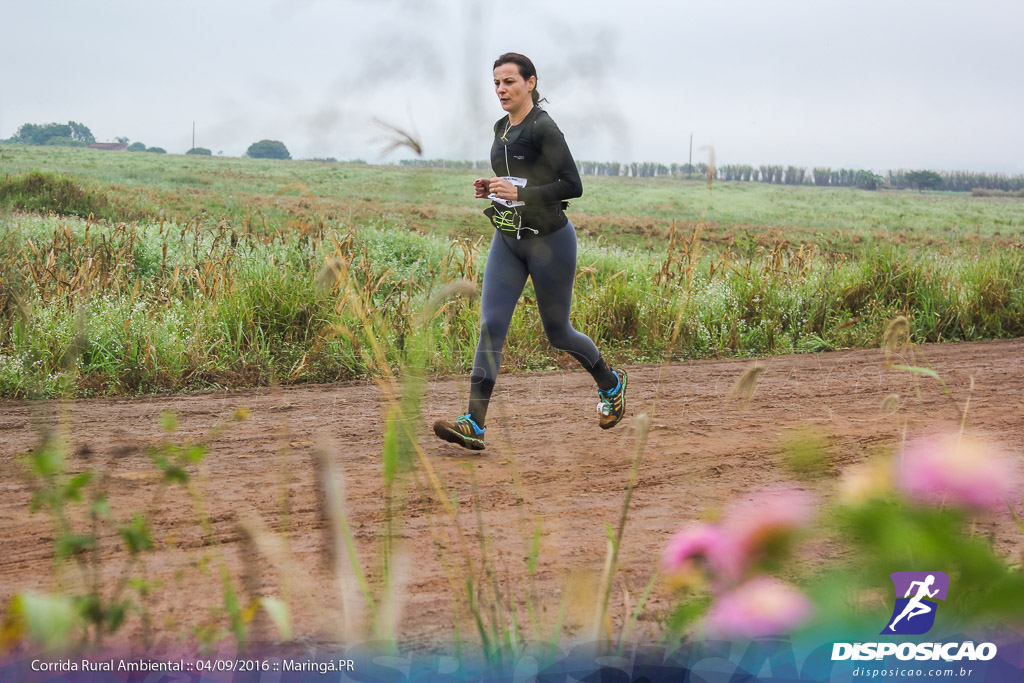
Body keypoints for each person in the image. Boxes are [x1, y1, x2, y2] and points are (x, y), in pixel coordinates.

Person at [433, 52, 627, 451]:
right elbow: (516, 177)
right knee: (491, 326)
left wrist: (520, 193)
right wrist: (493, 187)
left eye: (510, 82)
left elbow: (572, 185)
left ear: (531, 83)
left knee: (558, 334)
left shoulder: (545, 128)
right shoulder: (502, 127)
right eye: (497, 84)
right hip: (507, 238)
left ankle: (611, 384)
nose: (502, 90)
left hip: (549, 243)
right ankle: (474, 422)